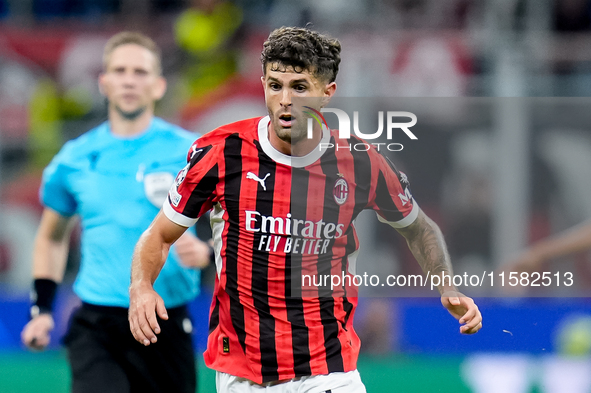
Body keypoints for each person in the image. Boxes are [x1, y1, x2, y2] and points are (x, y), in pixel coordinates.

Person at [128, 26, 482, 393]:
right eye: (275, 85)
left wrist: (446, 286)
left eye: (299, 87)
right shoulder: (221, 153)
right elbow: (159, 236)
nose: (284, 99)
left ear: (326, 93)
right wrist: (141, 286)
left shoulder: (360, 163)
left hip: (329, 370)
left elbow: (419, 228)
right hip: (244, 376)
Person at [20, 32, 210, 393]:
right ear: (104, 83)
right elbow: (51, 237)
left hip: (165, 321)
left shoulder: (192, 151)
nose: (128, 79)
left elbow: (230, 223)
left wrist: (208, 252)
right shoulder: (74, 158)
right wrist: (41, 310)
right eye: (119, 70)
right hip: (98, 325)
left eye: (140, 72)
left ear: (158, 86)